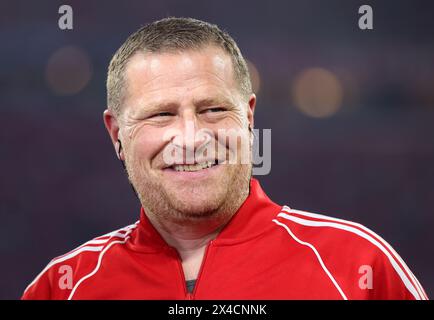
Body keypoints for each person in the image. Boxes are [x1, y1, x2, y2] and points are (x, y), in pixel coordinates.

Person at [22, 17, 428, 300]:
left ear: (248, 117)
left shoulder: (360, 266)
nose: (191, 137)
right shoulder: (63, 287)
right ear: (117, 135)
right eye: (161, 114)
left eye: (213, 109)